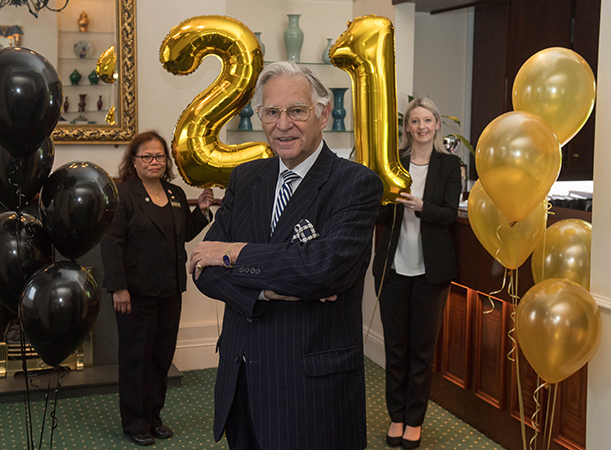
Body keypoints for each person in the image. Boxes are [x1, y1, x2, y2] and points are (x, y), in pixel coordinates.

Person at [188, 61, 383, 450]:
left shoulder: (355, 183)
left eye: (296, 110)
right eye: (271, 112)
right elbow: (202, 269)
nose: (282, 124)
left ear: (324, 114)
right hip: (240, 381)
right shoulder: (246, 178)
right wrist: (269, 291)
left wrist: (232, 252)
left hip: (311, 394)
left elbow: (322, 270)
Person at [100, 130, 213, 446]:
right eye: (146, 156)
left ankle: (153, 418)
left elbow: (183, 235)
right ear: (133, 161)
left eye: (159, 156)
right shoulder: (123, 195)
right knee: (137, 358)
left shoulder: (175, 193)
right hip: (135, 293)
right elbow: (111, 243)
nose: (154, 161)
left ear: (167, 161)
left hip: (170, 290)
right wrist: (118, 288)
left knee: (161, 357)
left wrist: (201, 211)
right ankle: (135, 423)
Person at [372, 98, 462, 449]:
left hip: (431, 272)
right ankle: (396, 417)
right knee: (396, 349)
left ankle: (414, 422)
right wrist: (376, 199)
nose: (421, 126)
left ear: (437, 124)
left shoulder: (450, 165)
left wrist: (422, 206)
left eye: (427, 120)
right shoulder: (394, 165)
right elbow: (380, 218)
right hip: (393, 270)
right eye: (414, 121)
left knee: (421, 351)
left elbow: (449, 214)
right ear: (406, 127)